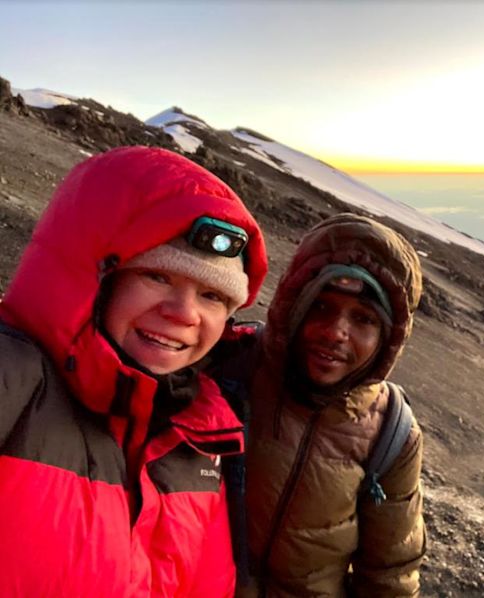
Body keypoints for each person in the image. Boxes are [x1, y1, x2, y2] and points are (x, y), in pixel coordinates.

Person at [0, 147, 268, 596]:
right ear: (95, 277)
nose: (184, 314)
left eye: (213, 297)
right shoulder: (13, 380)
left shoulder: (200, 437)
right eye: (158, 277)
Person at [219, 213, 426, 597]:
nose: (335, 333)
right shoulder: (228, 367)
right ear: (293, 305)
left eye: (363, 318)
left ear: (388, 337)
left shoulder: (392, 435)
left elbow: (389, 575)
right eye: (321, 307)